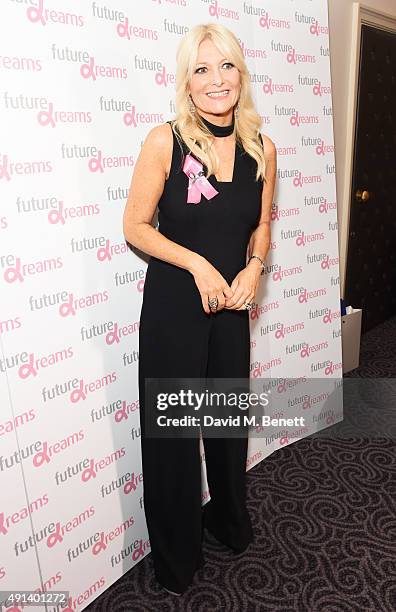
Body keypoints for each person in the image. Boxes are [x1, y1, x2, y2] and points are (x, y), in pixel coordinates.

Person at [123, 23, 277, 596]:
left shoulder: (263, 146)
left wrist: (253, 268)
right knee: (173, 436)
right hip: (174, 309)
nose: (217, 80)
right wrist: (199, 264)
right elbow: (135, 226)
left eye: (227, 66)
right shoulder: (165, 141)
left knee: (227, 425)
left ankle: (230, 522)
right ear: (186, 82)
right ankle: (176, 557)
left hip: (232, 307)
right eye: (202, 69)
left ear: (241, 73)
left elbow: (260, 227)